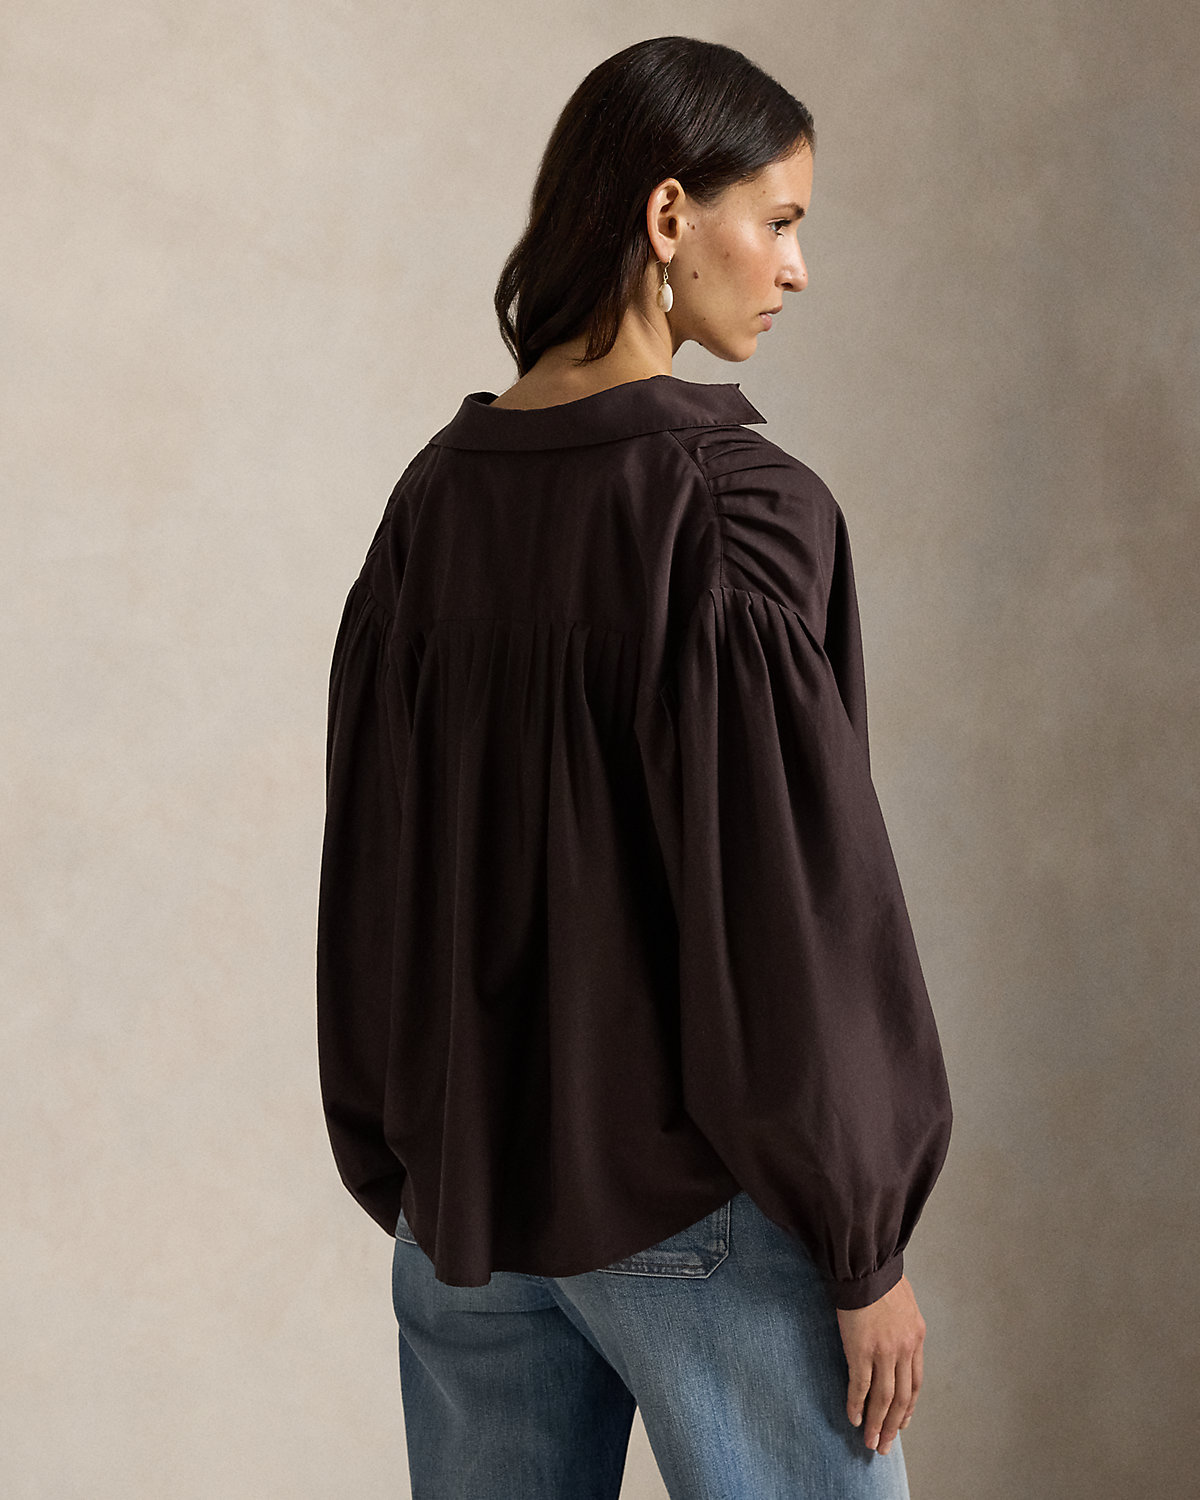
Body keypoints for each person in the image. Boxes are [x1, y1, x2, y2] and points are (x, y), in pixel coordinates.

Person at [316, 35, 953, 1500]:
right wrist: (863, 1244)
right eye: (777, 220)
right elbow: (796, 909)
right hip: (700, 1205)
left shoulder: (429, 509)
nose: (796, 268)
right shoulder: (735, 514)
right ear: (670, 216)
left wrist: (413, 1163)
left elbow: (370, 874)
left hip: (470, 1214)